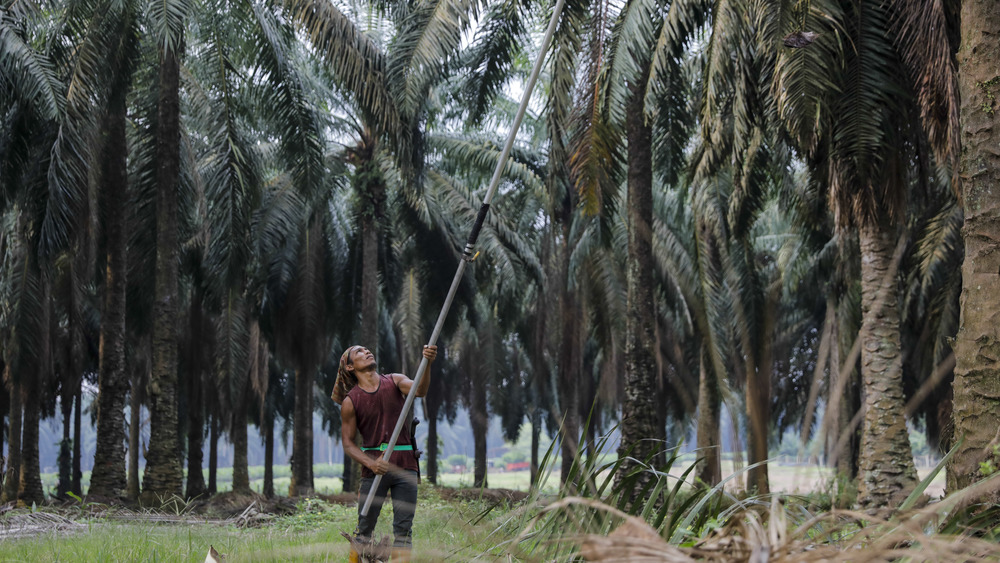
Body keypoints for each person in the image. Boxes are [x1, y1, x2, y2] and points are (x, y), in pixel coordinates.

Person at [332, 344, 437, 563]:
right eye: (359, 352)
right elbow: (348, 444)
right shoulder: (351, 401)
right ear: (350, 367)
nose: (367, 351)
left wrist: (427, 363)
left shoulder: (395, 381)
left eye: (367, 349)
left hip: (405, 464)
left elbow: (420, 390)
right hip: (374, 469)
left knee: (404, 529)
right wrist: (371, 464)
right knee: (364, 528)